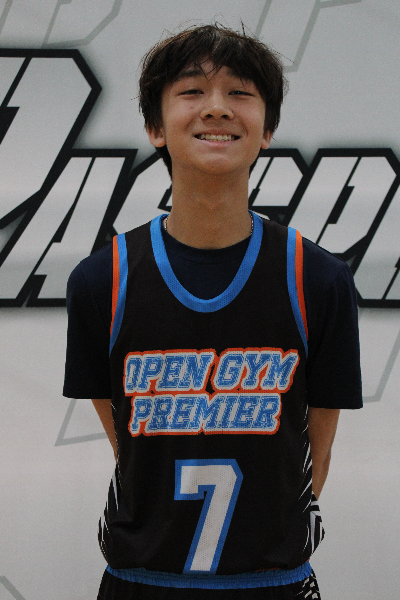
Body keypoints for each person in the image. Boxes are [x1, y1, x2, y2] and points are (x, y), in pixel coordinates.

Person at [63, 23, 362, 600]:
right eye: (192, 91)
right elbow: (130, 449)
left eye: (241, 92)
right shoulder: (101, 283)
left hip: (276, 582)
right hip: (139, 580)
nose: (218, 108)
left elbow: (314, 456)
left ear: (267, 129)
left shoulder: (318, 281)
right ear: (155, 127)